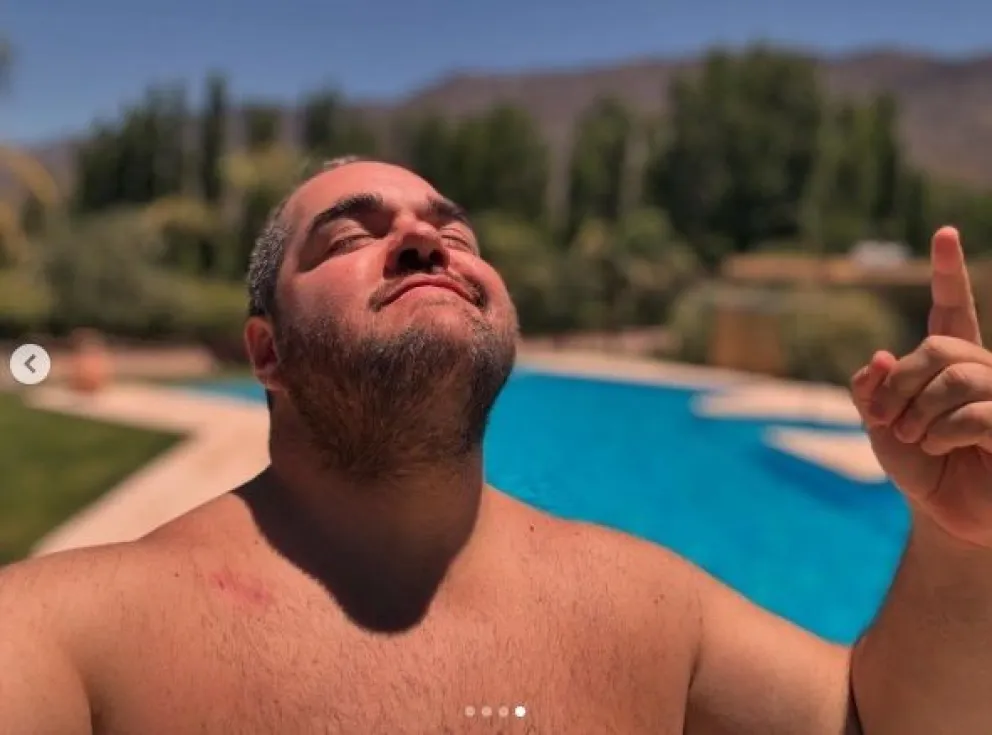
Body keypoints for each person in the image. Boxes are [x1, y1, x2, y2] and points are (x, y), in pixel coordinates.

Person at [2, 157, 991, 735]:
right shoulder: (66, 636)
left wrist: (958, 542)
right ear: (267, 352)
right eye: (348, 237)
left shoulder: (649, 607)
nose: (424, 240)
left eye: (454, 233)